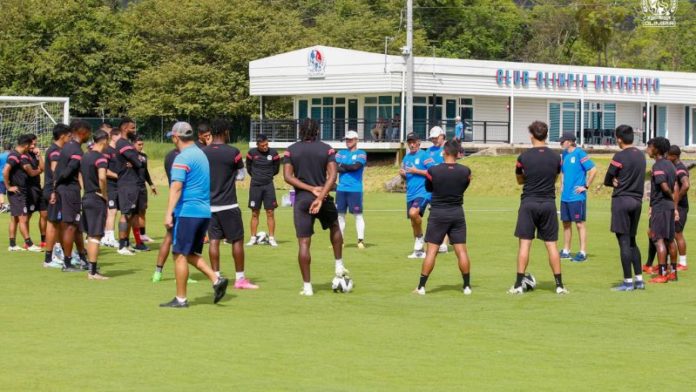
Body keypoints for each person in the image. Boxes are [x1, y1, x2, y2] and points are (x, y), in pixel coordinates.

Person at [160, 121, 228, 308]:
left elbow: (176, 187)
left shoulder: (181, 158)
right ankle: (216, 279)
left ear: (176, 137)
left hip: (187, 212)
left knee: (179, 254)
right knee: (190, 253)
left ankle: (181, 299)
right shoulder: (200, 154)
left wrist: (168, 214)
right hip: (204, 212)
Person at [283, 118, 348, 296]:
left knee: (304, 242)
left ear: (300, 132)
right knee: (334, 225)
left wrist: (310, 189)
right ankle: (339, 264)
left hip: (302, 199)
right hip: (323, 196)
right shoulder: (326, 148)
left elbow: (288, 177)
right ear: (317, 131)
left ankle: (307, 287)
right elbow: (333, 175)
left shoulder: (291, 150)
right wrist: (319, 195)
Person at [509, 121, 567, 295]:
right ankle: (559, 285)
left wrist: (530, 179)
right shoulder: (557, 157)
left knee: (525, 245)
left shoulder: (523, 157)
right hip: (548, 203)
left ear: (531, 135)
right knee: (552, 246)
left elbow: (519, 180)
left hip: (529, 203)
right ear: (546, 135)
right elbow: (556, 176)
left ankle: (518, 285)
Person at [203, 119, 258, 289]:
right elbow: (241, 176)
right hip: (228, 205)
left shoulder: (203, 152)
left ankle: (216, 277)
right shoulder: (233, 152)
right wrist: (228, 177)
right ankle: (240, 279)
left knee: (214, 241)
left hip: (209, 205)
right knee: (237, 241)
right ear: (225, 132)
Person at [413, 140, 473, 295]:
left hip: (438, 213)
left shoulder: (434, 171)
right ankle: (466, 286)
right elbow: (465, 186)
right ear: (457, 153)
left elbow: (428, 187)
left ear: (445, 152)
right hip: (457, 213)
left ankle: (421, 287)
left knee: (431, 251)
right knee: (461, 251)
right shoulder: (466, 171)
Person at [603, 125, 647, 291]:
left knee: (624, 242)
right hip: (637, 201)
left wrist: (613, 181)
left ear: (619, 139)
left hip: (622, 200)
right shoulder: (641, 155)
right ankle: (639, 280)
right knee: (633, 241)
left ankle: (627, 282)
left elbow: (608, 179)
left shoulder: (620, 156)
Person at [152, 133, 196, 284]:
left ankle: (158, 272)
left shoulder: (170, 156)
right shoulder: (184, 156)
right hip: (183, 201)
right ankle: (184, 274)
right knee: (181, 239)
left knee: (169, 237)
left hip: (175, 199)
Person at [54, 120, 92, 271]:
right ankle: (67, 263)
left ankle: (82, 259)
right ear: (82, 132)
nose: (89, 136)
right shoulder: (76, 150)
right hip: (70, 191)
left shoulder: (67, 146)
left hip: (66, 190)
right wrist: (59, 182)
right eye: (88, 133)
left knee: (76, 226)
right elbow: (68, 170)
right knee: (70, 226)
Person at [644, 137, 679, 284]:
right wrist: (674, 206)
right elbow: (675, 186)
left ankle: (662, 274)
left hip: (661, 207)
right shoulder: (671, 165)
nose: (647, 149)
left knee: (658, 240)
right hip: (669, 207)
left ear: (656, 149)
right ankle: (673, 273)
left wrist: (666, 199)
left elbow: (664, 186)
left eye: (649, 146)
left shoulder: (657, 166)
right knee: (670, 240)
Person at [558, 131, 597, 262]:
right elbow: (562, 171)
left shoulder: (579, 153)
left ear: (569, 141)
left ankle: (582, 252)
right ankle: (566, 250)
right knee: (566, 224)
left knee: (579, 224)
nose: (560, 143)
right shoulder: (563, 155)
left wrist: (585, 186)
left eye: (562, 141)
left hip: (577, 197)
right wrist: (562, 184)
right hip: (565, 196)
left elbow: (593, 169)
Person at [80, 129, 110, 280]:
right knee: (95, 235)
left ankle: (91, 269)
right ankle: (92, 272)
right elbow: (103, 178)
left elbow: (79, 174)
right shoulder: (101, 158)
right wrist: (104, 194)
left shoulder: (85, 157)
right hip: (96, 198)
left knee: (90, 234)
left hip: (87, 196)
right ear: (104, 141)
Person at [3, 134, 41, 252]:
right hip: (17, 191)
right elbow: (5, 170)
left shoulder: (19, 155)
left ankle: (12, 245)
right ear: (25, 145)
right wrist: (8, 187)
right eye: (30, 145)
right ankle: (29, 244)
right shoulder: (14, 156)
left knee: (15, 218)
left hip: (21, 190)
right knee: (23, 218)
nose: (31, 147)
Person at [42, 124, 72, 268]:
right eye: (68, 136)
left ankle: (57, 252)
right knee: (53, 223)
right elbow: (55, 172)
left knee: (59, 223)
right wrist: (54, 191)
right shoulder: (55, 151)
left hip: (56, 190)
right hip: (54, 190)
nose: (70, 138)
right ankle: (48, 259)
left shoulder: (58, 150)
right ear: (62, 136)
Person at [114, 117, 145, 255]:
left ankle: (126, 243)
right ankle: (121, 246)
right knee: (126, 213)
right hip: (127, 183)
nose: (134, 130)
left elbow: (138, 161)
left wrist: (137, 160)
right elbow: (138, 161)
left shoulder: (126, 143)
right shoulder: (123, 143)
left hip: (133, 183)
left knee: (131, 214)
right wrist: (136, 160)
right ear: (125, 128)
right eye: (132, 128)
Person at [399, 132, 432, 259]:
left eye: (414, 142)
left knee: (414, 213)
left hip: (423, 192)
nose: (412, 145)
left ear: (419, 142)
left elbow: (432, 171)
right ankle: (419, 251)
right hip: (410, 194)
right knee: (413, 222)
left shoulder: (424, 155)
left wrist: (416, 171)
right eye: (409, 142)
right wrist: (402, 174)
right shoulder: (406, 158)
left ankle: (420, 238)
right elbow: (406, 176)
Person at [245, 134, 280, 247]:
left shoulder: (274, 153)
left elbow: (276, 169)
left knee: (270, 212)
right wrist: (257, 176)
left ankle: (271, 238)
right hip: (255, 186)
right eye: (262, 145)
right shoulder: (252, 153)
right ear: (257, 145)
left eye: (266, 144)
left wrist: (267, 176)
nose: (265, 147)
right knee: (255, 212)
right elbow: (249, 168)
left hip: (268, 185)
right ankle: (253, 238)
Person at [335, 130, 367, 249]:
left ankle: (360, 240)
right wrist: (346, 167)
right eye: (347, 140)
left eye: (351, 139)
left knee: (357, 215)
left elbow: (356, 166)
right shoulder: (340, 153)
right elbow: (335, 167)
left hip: (355, 189)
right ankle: (340, 241)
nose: (348, 142)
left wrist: (342, 166)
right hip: (341, 188)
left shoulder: (361, 153)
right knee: (340, 215)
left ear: (356, 140)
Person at [426, 126, 449, 253]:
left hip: (446, 185)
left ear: (442, 136)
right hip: (432, 187)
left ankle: (444, 243)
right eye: (432, 138)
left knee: (446, 215)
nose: (434, 140)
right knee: (434, 215)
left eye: (436, 138)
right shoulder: (428, 151)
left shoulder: (448, 149)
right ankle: (435, 240)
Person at [668, 145, 689, 271]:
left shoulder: (680, 169)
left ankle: (683, 263)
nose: (666, 157)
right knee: (672, 233)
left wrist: (677, 199)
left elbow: (686, 185)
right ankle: (673, 262)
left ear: (674, 156)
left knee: (677, 234)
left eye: (668, 155)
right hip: (675, 206)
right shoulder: (674, 167)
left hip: (680, 207)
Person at [134, 135, 157, 243]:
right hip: (132, 187)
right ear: (133, 144)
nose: (141, 146)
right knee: (132, 213)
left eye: (142, 144)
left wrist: (151, 184)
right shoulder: (129, 155)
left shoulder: (144, 156)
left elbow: (145, 171)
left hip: (142, 187)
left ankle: (143, 234)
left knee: (142, 211)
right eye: (139, 144)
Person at [102, 127, 121, 248]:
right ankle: (109, 237)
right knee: (111, 210)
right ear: (113, 136)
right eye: (120, 136)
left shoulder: (118, 150)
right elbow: (104, 170)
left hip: (118, 185)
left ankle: (107, 236)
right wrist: (119, 176)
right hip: (110, 184)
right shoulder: (107, 150)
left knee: (114, 211)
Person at [0, 142, 10, 212]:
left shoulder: (1, 156)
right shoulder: (13, 155)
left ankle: (2, 206)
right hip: (11, 177)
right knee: (11, 191)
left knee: (1, 192)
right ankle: (12, 206)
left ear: (4, 148)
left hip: (1, 176)